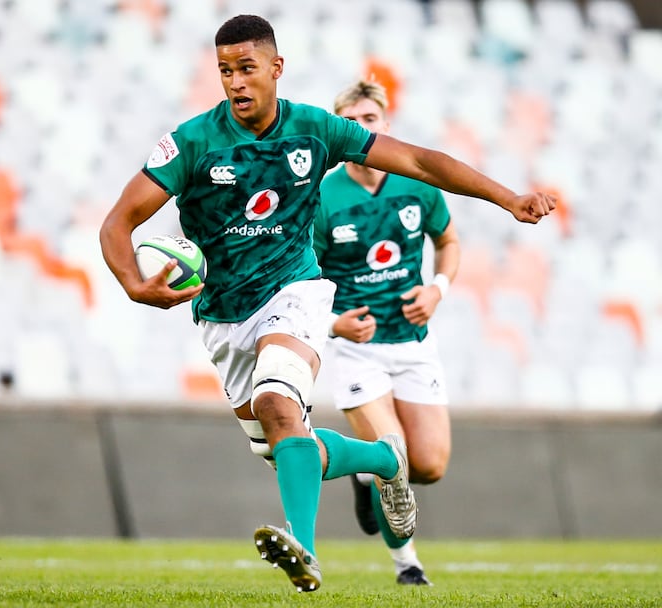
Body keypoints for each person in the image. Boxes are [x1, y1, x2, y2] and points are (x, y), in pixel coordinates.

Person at [99, 14, 555, 593]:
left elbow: (417, 162)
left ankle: (305, 553)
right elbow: (118, 222)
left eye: (246, 68)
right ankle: (385, 462)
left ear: (276, 68)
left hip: (296, 292)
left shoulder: (316, 130)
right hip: (222, 313)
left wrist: (506, 197)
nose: (236, 83)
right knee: (290, 447)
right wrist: (133, 284)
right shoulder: (191, 141)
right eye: (224, 71)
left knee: (278, 399)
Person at [314, 80, 459, 586]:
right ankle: (408, 565)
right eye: (350, 121)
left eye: (370, 119)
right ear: (338, 130)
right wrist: (333, 323)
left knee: (430, 465)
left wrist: (437, 288)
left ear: (385, 125)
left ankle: (359, 470)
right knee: (394, 458)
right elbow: (298, 278)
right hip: (357, 350)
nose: (362, 128)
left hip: (414, 343)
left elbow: (448, 239)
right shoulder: (322, 195)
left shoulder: (416, 182)